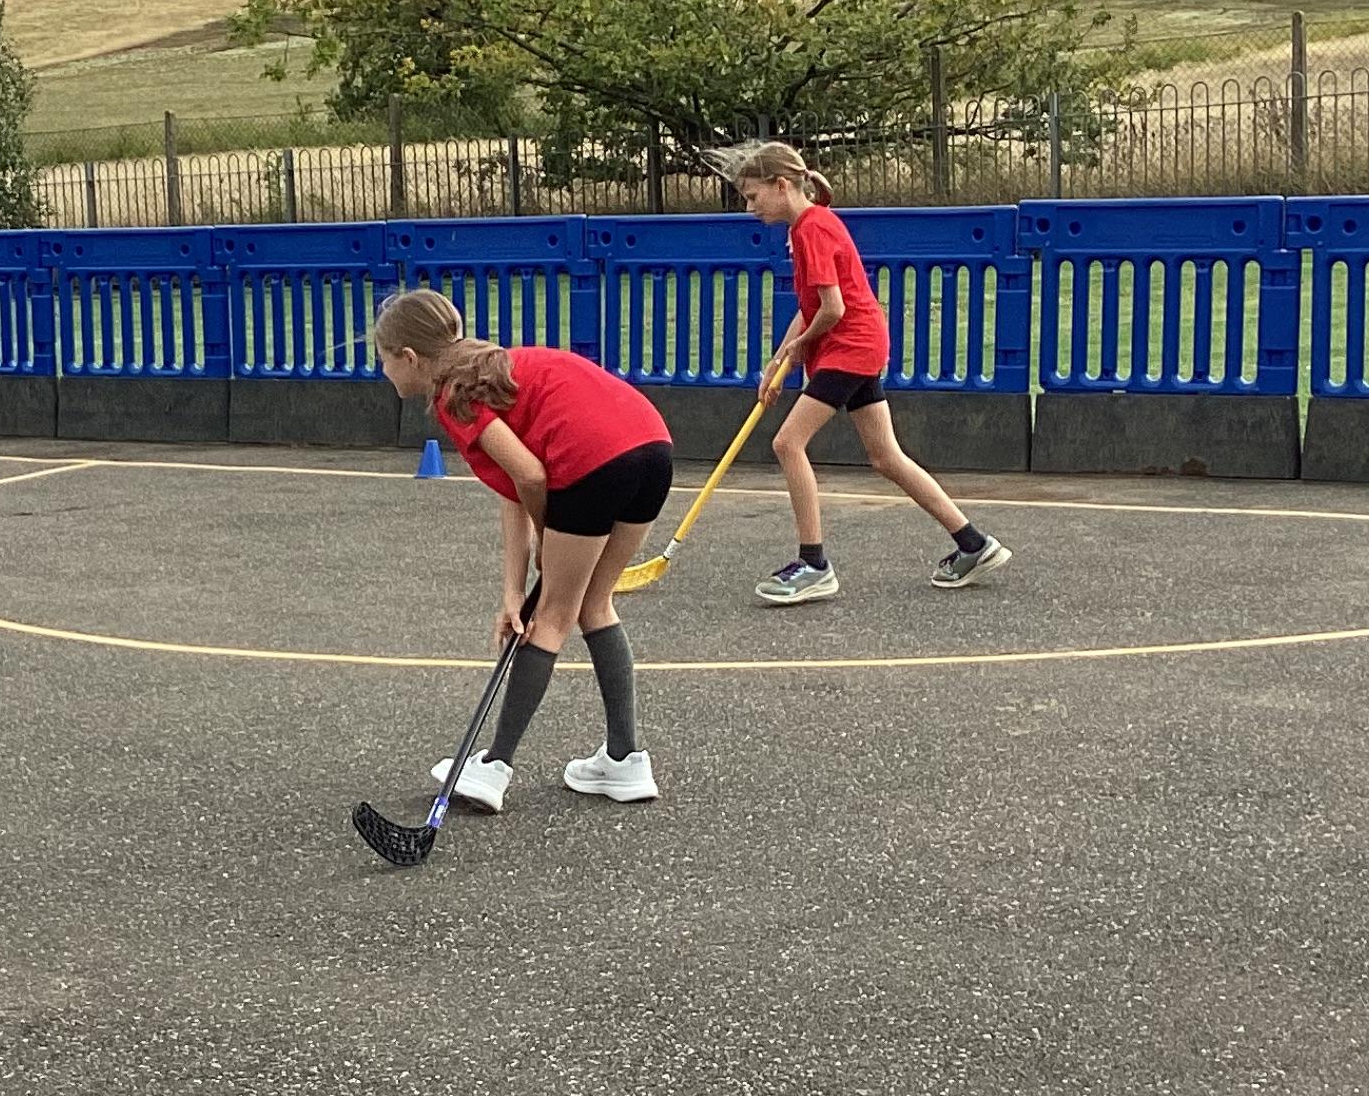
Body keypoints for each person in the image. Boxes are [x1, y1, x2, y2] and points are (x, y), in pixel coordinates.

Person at [373, 287, 675, 809]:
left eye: (383, 360)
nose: (383, 372)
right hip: (652, 450)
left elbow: (532, 477)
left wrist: (547, 532)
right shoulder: (489, 370)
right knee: (594, 603)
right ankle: (625, 761)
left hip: (592, 460)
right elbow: (515, 487)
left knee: (551, 617)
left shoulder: (454, 397)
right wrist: (512, 591)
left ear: (409, 357)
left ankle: (493, 766)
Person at [728, 141, 1011, 601]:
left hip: (850, 346)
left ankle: (814, 564)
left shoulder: (813, 229)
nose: (749, 208)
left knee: (787, 442)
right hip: (857, 344)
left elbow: (833, 309)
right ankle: (974, 544)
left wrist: (800, 346)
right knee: (885, 456)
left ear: (781, 185)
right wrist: (779, 360)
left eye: (753, 196)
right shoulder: (807, 227)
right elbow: (811, 306)